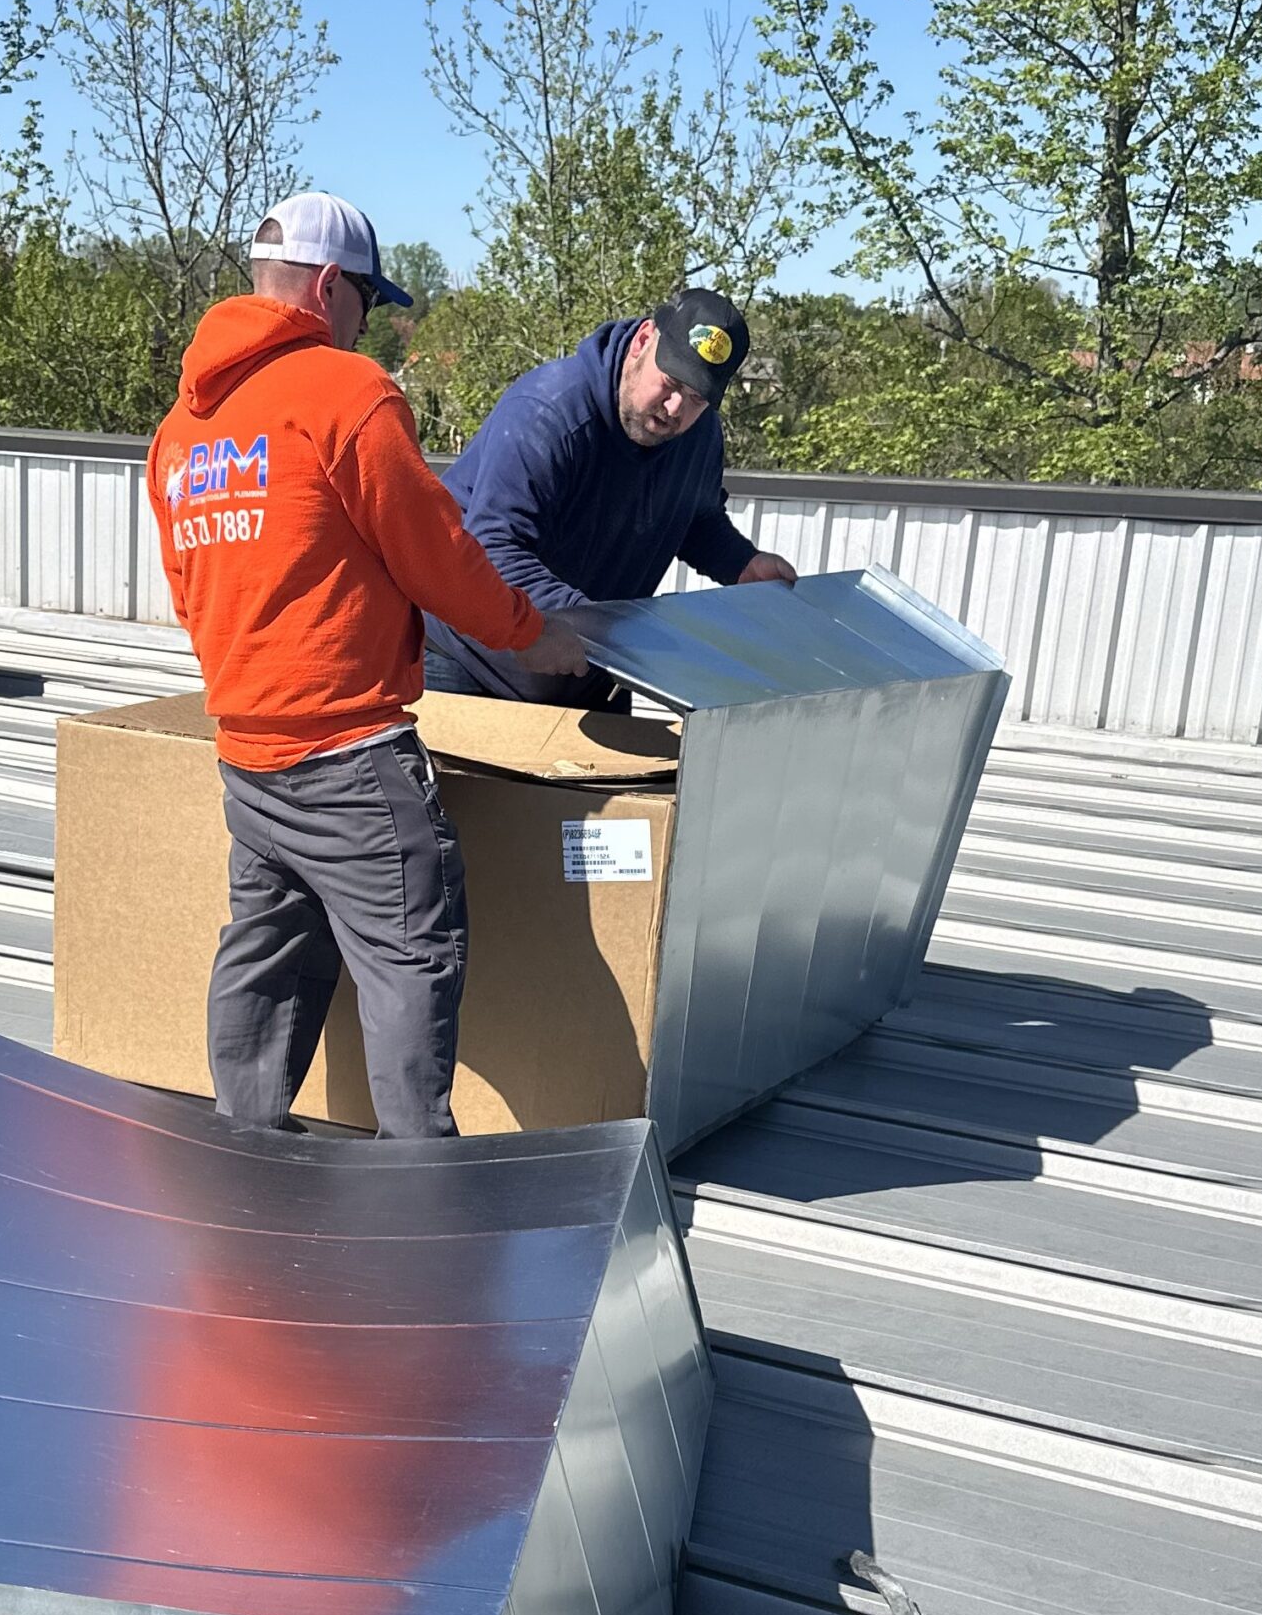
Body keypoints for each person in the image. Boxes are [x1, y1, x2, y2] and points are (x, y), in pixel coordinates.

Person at [149, 191, 588, 1140]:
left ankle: (244, 1145)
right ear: (326, 286)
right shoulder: (344, 394)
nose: (366, 325)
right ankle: (420, 1190)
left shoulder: (181, 432)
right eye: (365, 302)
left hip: (246, 753)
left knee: (265, 949)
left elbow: (191, 593)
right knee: (410, 956)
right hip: (348, 754)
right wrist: (533, 634)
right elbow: (436, 554)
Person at [424, 290, 798, 705]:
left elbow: (695, 518)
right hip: (467, 663)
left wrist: (742, 563)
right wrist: (596, 623)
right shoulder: (548, 411)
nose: (674, 408)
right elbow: (493, 547)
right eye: (670, 382)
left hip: (587, 667)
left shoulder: (699, 434)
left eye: (696, 398)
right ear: (642, 341)